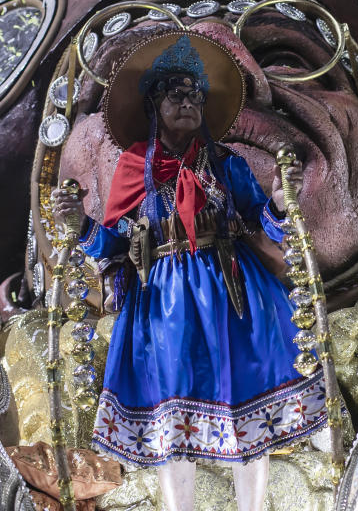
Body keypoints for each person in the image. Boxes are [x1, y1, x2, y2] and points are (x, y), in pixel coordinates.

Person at [52, 31, 327, 511]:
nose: (188, 101)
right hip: (163, 302)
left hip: (236, 294)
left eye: (195, 93)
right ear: (153, 104)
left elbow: (266, 225)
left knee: (249, 402)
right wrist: (81, 227)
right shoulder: (134, 166)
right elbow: (112, 243)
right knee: (172, 413)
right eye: (175, 92)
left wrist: (283, 206)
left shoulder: (227, 162)